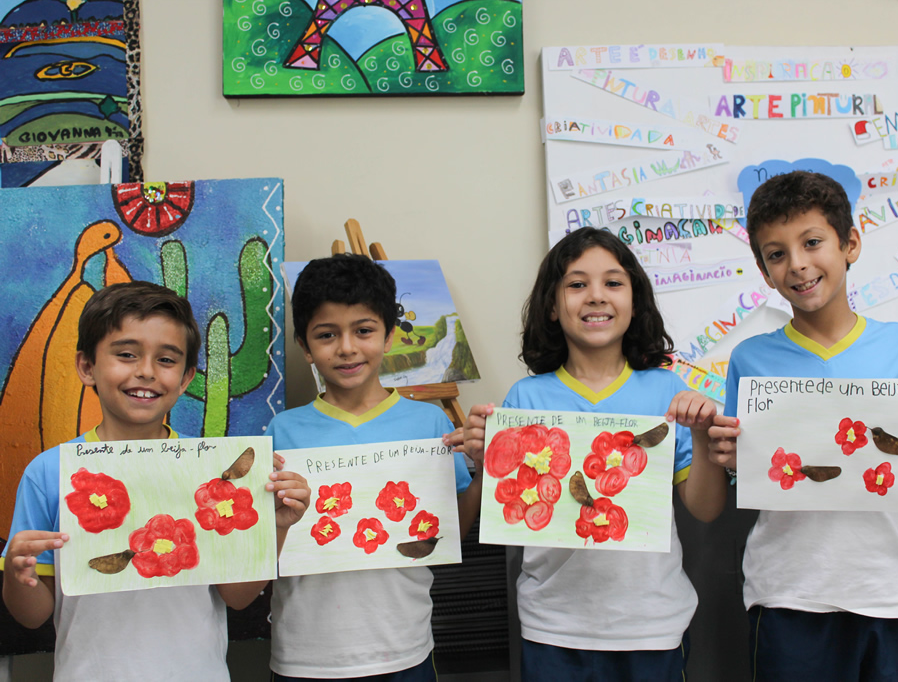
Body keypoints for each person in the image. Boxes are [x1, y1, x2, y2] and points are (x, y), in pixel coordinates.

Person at [708, 170, 898, 681]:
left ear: (850, 243)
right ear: (764, 272)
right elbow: (749, 475)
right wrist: (729, 458)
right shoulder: (751, 360)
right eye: (777, 253)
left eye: (812, 242)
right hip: (787, 593)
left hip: (888, 591)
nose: (798, 264)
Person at [1, 280, 310, 681]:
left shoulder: (212, 472)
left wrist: (274, 526)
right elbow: (32, 615)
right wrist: (16, 573)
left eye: (166, 360)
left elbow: (238, 597)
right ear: (87, 366)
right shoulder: (49, 472)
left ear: (185, 379)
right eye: (126, 355)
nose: (146, 372)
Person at [461, 227, 727, 681]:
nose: (596, 296)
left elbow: (704, 509)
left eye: (613, 283)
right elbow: (500, 515)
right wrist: (486, 459)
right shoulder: (526, 398)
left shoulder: (667, 389)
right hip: (553, 625)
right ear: (551, 305)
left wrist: (702, 438)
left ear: (635, 301)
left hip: (653, 624)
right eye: (577, 284)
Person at [266, 254, 482, 682]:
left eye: (363, 331)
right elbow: (263, 548)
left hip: (404, 648)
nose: (346, 348)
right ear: (305, 347)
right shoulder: (282, 431)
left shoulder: (432, 424)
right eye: (326, 335)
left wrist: (487, 470)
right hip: (304, 656)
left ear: (388, 337)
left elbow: (451, 529)